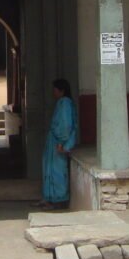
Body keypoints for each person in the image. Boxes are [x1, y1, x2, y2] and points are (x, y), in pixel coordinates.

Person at [36, 78, 79, 211]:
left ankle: (59, 200)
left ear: (61, 90)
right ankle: (49, 198)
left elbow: (65, 125)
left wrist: (62, 142)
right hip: (53, 141)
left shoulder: (65, 103)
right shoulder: (62, 102)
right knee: (50, 169)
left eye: (55, 89)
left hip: (58, 142)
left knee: (57, 172)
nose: (53, 92)